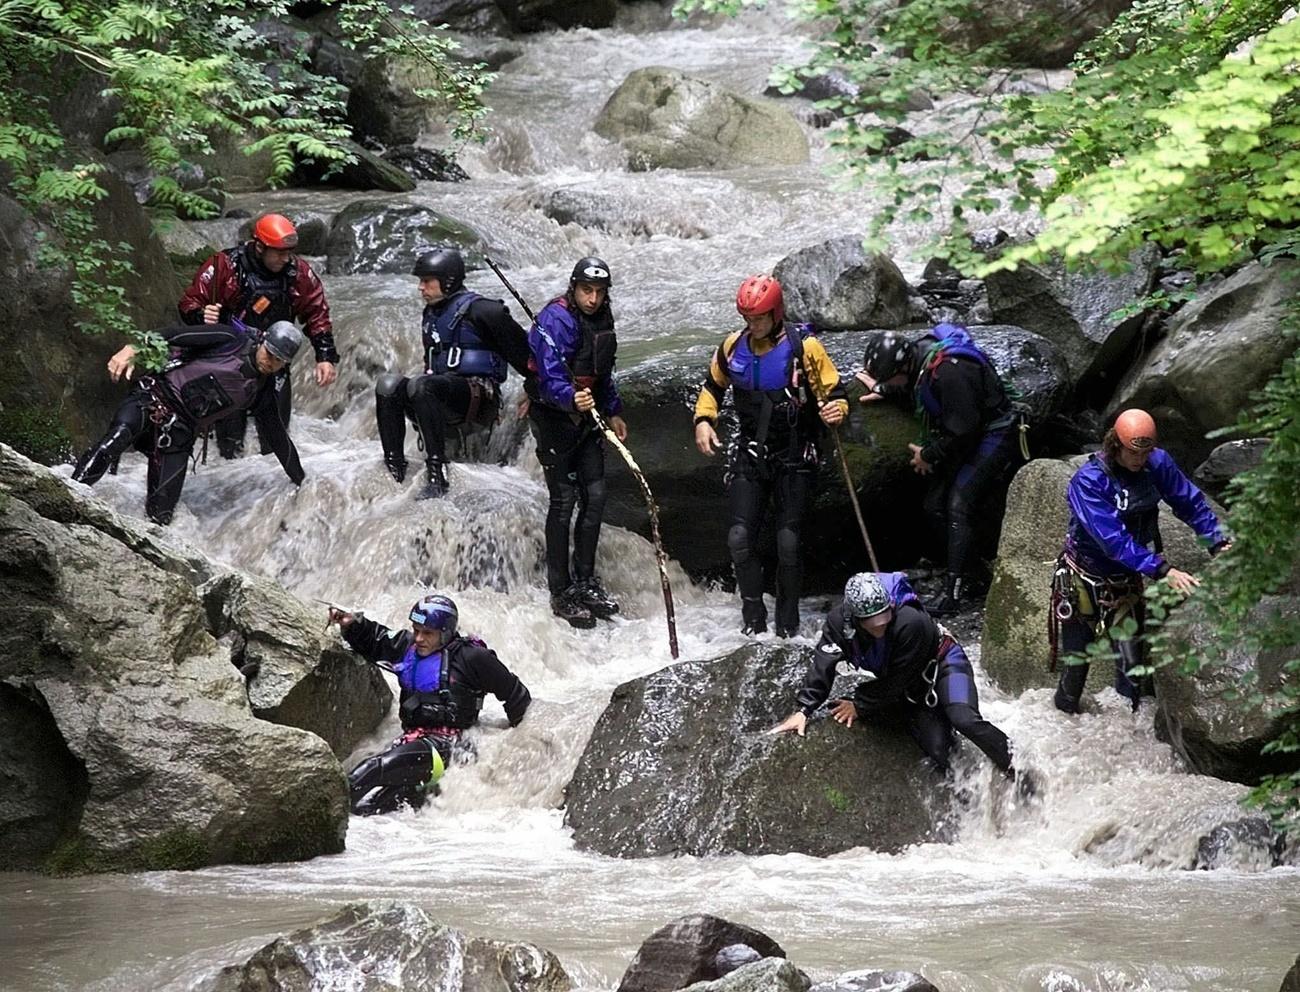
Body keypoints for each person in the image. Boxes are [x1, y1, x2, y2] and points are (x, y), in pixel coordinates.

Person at [693, 274, 848, 637]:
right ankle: (753, 621)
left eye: (760, 317)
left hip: (795, 458)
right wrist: (703, 420)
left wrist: (837, 409)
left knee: (788, 542)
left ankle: (788, 625)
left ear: (776, 313)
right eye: (749, 318)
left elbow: (836, 392)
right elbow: (712, 387)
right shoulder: (732, 347)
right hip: (751, 456)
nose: (754, 324)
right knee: (738, 538)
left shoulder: (804, 348)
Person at [771, 571, 1025, 788]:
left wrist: (859, 704)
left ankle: (1019, 770)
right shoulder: (839, 624)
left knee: (964, 719)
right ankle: (972, 794)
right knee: (939, 750)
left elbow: (897, 680)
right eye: (872, 624)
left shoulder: (910, 622)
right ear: (855, 618)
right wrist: (804, 709)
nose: (880, 628)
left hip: (943, 664)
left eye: (884, 619)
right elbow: (824, 662)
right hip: (910, 687)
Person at [1051, 408, 1230, 715]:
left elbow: (1189, 502)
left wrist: (1218, 541)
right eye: (1135, 452)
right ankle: (1063, 716)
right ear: (1115, 444)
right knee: (1075, 668)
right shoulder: (1089, 482)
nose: (1140, 460)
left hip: (1126, 583)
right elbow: (1113, 541)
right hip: (1084, 580)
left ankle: (1129, 732)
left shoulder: (1156, 463)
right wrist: (1163, 570)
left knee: (1132, 670)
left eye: (1146, 452)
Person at [70, 321, 306, 524]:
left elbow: (278, 438)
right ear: (262, 341)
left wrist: (302, 481)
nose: (270, 363)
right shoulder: (230, 339)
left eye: (278, 361)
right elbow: (173, 334)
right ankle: (68, 499)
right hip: (152, 398)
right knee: (114, 441)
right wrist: (132, 348)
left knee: (160, 516)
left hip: (179, 433)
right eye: (269, 354)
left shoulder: (262, 392)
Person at [859, 324, 1023, 615]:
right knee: (933, 506)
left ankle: (954, 594)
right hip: (967, 430)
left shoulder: (948, 373)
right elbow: (911, 390)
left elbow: (964, 432)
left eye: (890, 378)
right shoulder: (918, 359)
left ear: (905, 365)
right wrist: (883, 389)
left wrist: (928, 455)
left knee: (958, 506)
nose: (891, 382)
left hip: (994, 432)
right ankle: (973, 573)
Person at [330, 593, 532, 816]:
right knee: (367, 810)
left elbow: (515, 695)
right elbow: (376, 639)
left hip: (450, 749)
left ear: (445, 633)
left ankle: (326, 813)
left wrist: (520, 741)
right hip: (414, 744)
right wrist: (351, 624)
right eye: (416, 630)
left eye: (427, 633)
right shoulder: (407, 647)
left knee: (372, 769)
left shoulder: (473, 657)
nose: (418, 638)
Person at [177, 212, 338, 459]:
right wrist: (201, 315)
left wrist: (324, 355)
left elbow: (317, 311)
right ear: (260, 246)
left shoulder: (298, 273)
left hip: (275, 362)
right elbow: (189, 303)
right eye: (280, 253)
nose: (286, 259)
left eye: (289, 252)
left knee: (276, 440)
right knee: (228, 445)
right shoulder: (224, 266)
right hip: (230, 363)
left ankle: (274, 484)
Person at [375, 247, 531, 499]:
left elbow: (527, 357)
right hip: (441, 396)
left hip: (478, 399)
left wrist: (534, 389)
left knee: (423, 386)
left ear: (447, 281)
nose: (420, 288)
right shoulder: (432, 313)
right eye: (420, 282)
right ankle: (394, 465)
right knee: (388, 385)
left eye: (426, 281)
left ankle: (437, 473)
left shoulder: (485, 311)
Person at [526, 256, 629, 629]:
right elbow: (550, 374)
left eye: (600, 293)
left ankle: (586, 581)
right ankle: (561, 590)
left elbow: (603, 373)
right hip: (553, 416)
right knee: (564, 500)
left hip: (587, 418)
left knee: (596, 495)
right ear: (574, 288)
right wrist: (570, 398)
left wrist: (613, 410)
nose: (593, 299)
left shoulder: (603, 317)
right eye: (587, 290)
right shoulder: (556, 318)